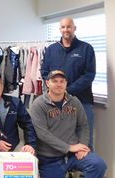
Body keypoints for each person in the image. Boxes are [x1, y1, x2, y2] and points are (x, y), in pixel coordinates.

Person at [29, 70, 107, 178]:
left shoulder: (74, 102)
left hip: (73, 155)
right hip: (50, 157)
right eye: (55, 81)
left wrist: (82, 146)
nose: (58, 84)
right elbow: (43, 134)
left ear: (66, 84)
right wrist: (68, 148)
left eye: (62, 81)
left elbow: (84, 125)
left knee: (97, 164)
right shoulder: (39, 104)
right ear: (47, 83)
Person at [41, 17, 96, 149]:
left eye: (69, 27)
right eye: (63, 27)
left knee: (85, 140)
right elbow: (44, 72)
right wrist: (57, 91)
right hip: (56, 104)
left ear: (74, 28)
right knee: (59, 138)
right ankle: (64, 168)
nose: (66, 30)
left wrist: (68, 91)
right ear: (60, 29)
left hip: (82, 102)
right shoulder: (51, 50)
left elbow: (89, 75)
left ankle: (88, 168)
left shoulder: (86, 48)